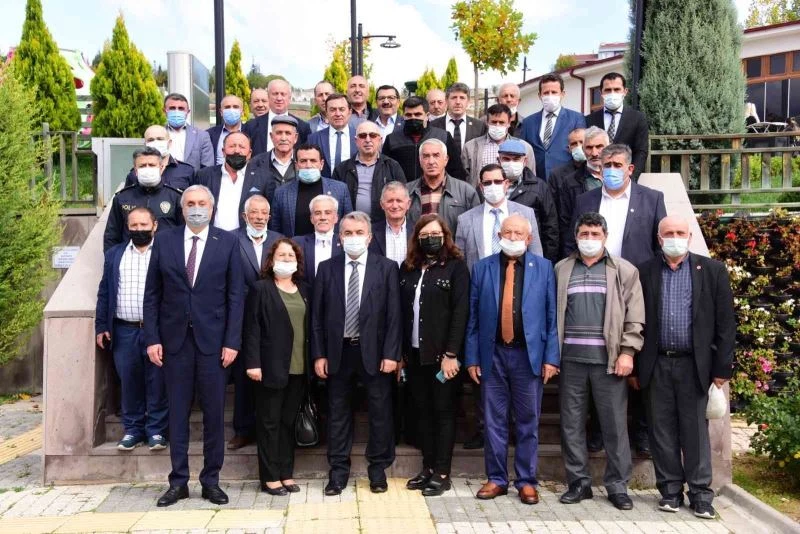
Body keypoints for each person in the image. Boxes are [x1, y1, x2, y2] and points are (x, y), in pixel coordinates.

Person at [144, 185, 245, 507]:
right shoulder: (164, 240)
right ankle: (178, 482)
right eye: (190, 203)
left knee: (214, 415)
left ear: (212, 209)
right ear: (182, 208)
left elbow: (235, 296)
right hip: (174, 343)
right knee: (177, 415)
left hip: (214, 344)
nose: (196, 208)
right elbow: (152, 294)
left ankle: (211, 481)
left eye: (202, 203)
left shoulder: (227, 241)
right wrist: (152, 338)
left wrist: (232, 341)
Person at [565, 144, 666, 456]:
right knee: (599, 361)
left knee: (636, 359)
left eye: (617, 164)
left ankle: (640, 430)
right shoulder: (586, 200)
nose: (610, 169)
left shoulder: (651, 199)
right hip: (594, 285)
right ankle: (596, 429)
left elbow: (659, 246)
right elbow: (574, 240)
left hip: (636, 287)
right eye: (605, 164)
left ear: (630, 168)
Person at [632, 216, 735, 520]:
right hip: (656, 363)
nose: (674, 237)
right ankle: (670, 491)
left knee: (695, 432)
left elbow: (725, 323)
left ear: (689, 237)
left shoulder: (712, 270)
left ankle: (701, 494)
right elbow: (635, 320)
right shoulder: (644, 271)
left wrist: (722, 369)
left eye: (680, 232)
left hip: (695, 365)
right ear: (659, 238)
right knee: (661, 430)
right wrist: (636, 367)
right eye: (668, 233)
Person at [465, 214, 559, 505]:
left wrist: (551, 358)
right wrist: (472, 358)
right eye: (508, 232)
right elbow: (473, 317)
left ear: (529, 239)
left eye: (519, 233)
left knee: (528, 420)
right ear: (499, 236)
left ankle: (527, 480)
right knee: (493, 420)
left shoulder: (544, 268)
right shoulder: (482, 268)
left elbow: (551, 317)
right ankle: (496, 478)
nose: (513, 237)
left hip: (528, 356)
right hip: (492, 354)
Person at [555, 212, 644, 510]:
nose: (589, 239)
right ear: (576, 236)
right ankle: (578, 482)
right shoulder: (561, 269)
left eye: (595, 234)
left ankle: (618, 486)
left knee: (614, 426)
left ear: (605, 237)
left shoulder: (624, 270)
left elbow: (635, 316)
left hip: (609, 362)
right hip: (571, 361)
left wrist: (628, 352)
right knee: (571, 424)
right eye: (584, 234)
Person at [311, 211, 402, 496]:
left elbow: (394, 316)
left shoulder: (386, 268)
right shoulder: (326, 268)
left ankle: (378, 470)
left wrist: (391, 354)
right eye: (348, 233)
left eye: (359, 233)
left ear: (369, 237)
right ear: (339, 238)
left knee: (379, 412)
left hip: (375, 353)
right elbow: (316, 317)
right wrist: (319, 354)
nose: (353, 238)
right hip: (338, 353)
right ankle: (338, 473)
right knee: (338, 413)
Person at [399, 214, 469, 496]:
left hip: (443, 357)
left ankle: (442, 472)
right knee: (422, 413)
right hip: (415, 355)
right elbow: (401, 312)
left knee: (443, 413)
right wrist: (401, 353)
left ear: (445, 236)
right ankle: (427, 467)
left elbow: (461, 312)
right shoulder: (408, 268)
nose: (430, 239)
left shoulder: (456, 268)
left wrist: (452, 353)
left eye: (435, 234)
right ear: (417, 238)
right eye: (424, 235)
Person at [95, 207, 167, 452]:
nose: (139, 229)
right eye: (134, 225)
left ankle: (156, 430)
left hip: (157, 331)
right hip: (124, 330)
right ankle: (133, 430)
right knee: (129, 381)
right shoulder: (115, 254)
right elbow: (105, 291)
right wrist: (101, 325)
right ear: (127, 227)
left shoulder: (165, 253)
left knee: (157, 381)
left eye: (143, 225)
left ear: (154, 226)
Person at [242, 238, 310, 496]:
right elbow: (252, 328)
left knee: (287, 423)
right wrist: (253, 363)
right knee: (269, 424)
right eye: (281, 255)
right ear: (271, 261)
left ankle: (286, 473)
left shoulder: (305, 289)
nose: (286, 260)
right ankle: (270, 478)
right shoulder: (261, 289)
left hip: (299, 368)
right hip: (269, 368)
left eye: (291, 256)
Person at [227, 194, 285, 451]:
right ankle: (242, 430)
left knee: (270, 374)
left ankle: (267, 430)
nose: (260, 217)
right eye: (254, 212)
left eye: (264, 213)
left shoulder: (280, 240)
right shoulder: (230, 239)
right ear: (245, 216)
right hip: (242, 316)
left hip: (273, 316)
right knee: (243, 377)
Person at [455, 163, 543, 271]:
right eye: (487, 183)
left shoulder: (526, 213)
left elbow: (536, 255)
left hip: (518, 278)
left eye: (497, 181)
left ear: (506, 184)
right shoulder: (465, 220)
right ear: (481, 187)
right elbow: (460, 262)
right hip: (480, 279)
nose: (493, 186)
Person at [104, 147, 183, 252]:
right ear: (135, 170)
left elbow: (183, 233)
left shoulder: (175, 197)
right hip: (131, 258)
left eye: (151, 165)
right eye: (142, 166)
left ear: (161, 168)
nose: (147, 168)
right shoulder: (122, 198)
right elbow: (111, 236)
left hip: (166, 257)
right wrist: (112, 259)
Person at [193, 132, 272, 232]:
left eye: (242, 147)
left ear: (249, 153)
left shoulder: (264, 177)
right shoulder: (205, 175)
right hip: (212, 236)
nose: (237, 151)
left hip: (247, 238)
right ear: (223, 151)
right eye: (232, 146)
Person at [269, 144, 352, 237]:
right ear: (296, 165)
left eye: (313, 161)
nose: (308, 165)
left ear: (321, 164)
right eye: (303, 161)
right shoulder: (282, 193)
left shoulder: (340, 189)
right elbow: (275, 230)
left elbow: (349, 224)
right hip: (294, 245)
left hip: (331, 245)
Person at [497, 140, 559, 263]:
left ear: (525, 161)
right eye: (506, 159)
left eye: (516, 159)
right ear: (499, 160)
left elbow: (550, 228)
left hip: (528, 256)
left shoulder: (539, 187)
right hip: (496, 254)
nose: (511, 163)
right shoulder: (489, 185)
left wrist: (546, 263)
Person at [332, 121, 406, 223]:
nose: (367, 140)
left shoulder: (392, 166)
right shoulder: (342, 169)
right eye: (363, 136)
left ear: (380, 140)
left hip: (383, 226)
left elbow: (403, 197)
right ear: (356, 141)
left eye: (372, 135)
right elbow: (334, 203)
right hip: (351, 226)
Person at [551, 127, 607, 259]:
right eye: (589, 148)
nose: (594, 153)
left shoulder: (620, 178)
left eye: (599, 147)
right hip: (583, 251)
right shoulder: (571, 182)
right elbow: (565, 223)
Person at [383, 96, 467, 182]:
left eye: (418, 114)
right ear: (403, 116)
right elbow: (385, 171)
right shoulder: (392, 139)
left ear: (427, 116)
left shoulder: (443, 137)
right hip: (402, 189)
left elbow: (456, 171)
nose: (413, 118)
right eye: (408, 115)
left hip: (436, 189)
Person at [406, 139, 480, 236]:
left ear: (446, 160)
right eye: (426, 156)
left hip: (453, 246)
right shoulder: (406, 192)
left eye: (436, 155)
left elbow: (475, 231)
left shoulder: (466, 192)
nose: (431, 161)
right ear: (420, 161)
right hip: (416, 246)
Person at [520, 74, 586, 180]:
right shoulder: (528, 122)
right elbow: (523, 152)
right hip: (537, 181)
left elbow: (581, 150)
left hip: (567, 180)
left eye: (554, 92)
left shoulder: (576, 118)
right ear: (539, 95)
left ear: (562, 94)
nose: (550, 96)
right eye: (546, 93)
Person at [585, 73, 649, 181]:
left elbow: (641, 151)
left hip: (625, 177)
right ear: (601, 92)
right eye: (608, 90)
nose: (612, 93)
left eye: (617, 89)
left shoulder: (637, 118)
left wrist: (631, 178)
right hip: (596, 178)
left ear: (625, 91)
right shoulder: (589, 119)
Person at [461, 103, 534, 188]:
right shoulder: (470, 147)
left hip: (515, 194)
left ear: (509, 123)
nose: (497, 125)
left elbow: (531, 178)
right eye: (494, 122)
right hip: (482, 194)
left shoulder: (524, 147)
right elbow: (464, 179)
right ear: (487, 122)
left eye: (501, 122)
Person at [243, 79, 311, 155]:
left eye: (283, 94)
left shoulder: (303, 127)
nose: (279, 98)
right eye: (275, 94)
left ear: (289, 98)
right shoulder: (251, 126)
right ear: (268, 97)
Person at [292, 195, 344, 288]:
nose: (323, 217)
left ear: (336, 218)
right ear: (311, 218)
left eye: (327, 213)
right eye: (317, 213)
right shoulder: (297, 243)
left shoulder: (345, 243)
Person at [123, 125, 195, 190]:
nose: (156, 142)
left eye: (160, 139)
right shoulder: (134, 174)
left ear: (169, 143)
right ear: (145, 145)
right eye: (151, 140)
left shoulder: (186, 171)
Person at [246, 116, 299, 204]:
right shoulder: (255, 162)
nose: (283, 138)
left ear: (295, 137)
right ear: (271, 136)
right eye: (279, 133)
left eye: (288, 133)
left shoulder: (304, 162)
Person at [307, 94, 358, 178]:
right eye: (332, 110)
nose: (337, 114)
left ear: (349, 112)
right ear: (326, 113)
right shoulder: (313, 139)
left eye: (341, 109)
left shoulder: (360, 137)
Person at [163, 93, 214, 170]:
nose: (176, 111)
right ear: (164, 111)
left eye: (181, 108)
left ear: (188, 112)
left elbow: (207, 167)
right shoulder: (156, 135)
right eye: (172, 108)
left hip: (193, 178)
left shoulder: (202, 136)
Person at [430, 82, 487, 150]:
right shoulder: (433, 126)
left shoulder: (479, 126)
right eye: (454, 98)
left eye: (462, 98)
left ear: (468, 101)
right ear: (446, 101)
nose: (458, 102)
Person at [369, 182, 413, 265]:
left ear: (408, 204)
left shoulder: (418, 231)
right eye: (390, 201)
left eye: (399, 201)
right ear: (382, 204)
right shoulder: (370, 231)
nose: (395, 206)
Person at [547, 127, 586, 197]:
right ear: (569, 149)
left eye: (582, 142)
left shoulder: (599, 170)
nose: (578, 146)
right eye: (574, 144)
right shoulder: (556, 175)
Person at [208, 95, 244, 165]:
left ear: (242, 112)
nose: (231, 110)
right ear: (221, 112)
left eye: (235, 107)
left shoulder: (251, 132)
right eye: (227, 107)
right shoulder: (210, 134)